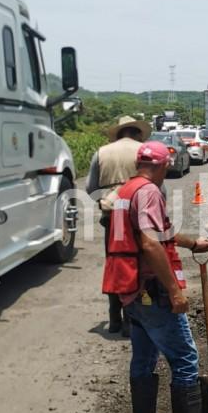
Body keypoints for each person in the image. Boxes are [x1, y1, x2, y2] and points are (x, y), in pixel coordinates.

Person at [102, 140, 208, 413]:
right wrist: (174, 290)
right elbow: (150, 244)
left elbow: (162, 234)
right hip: (152, 291)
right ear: (163, 165)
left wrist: (192, 243)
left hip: (131, 290)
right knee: (185, 358)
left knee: (144, 357)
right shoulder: (149, 192)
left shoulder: (127, 191)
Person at [87, 115, 152, 334]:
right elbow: (157, 186)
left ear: (119, 133)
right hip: (138, 213)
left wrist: (105, 200)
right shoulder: (145, 151)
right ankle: (130, 320)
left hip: (112, 215)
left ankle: (114, 319)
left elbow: (90, 188)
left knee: (115, 263)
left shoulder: (101, 152)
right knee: (138, 265)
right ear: (137, 133)